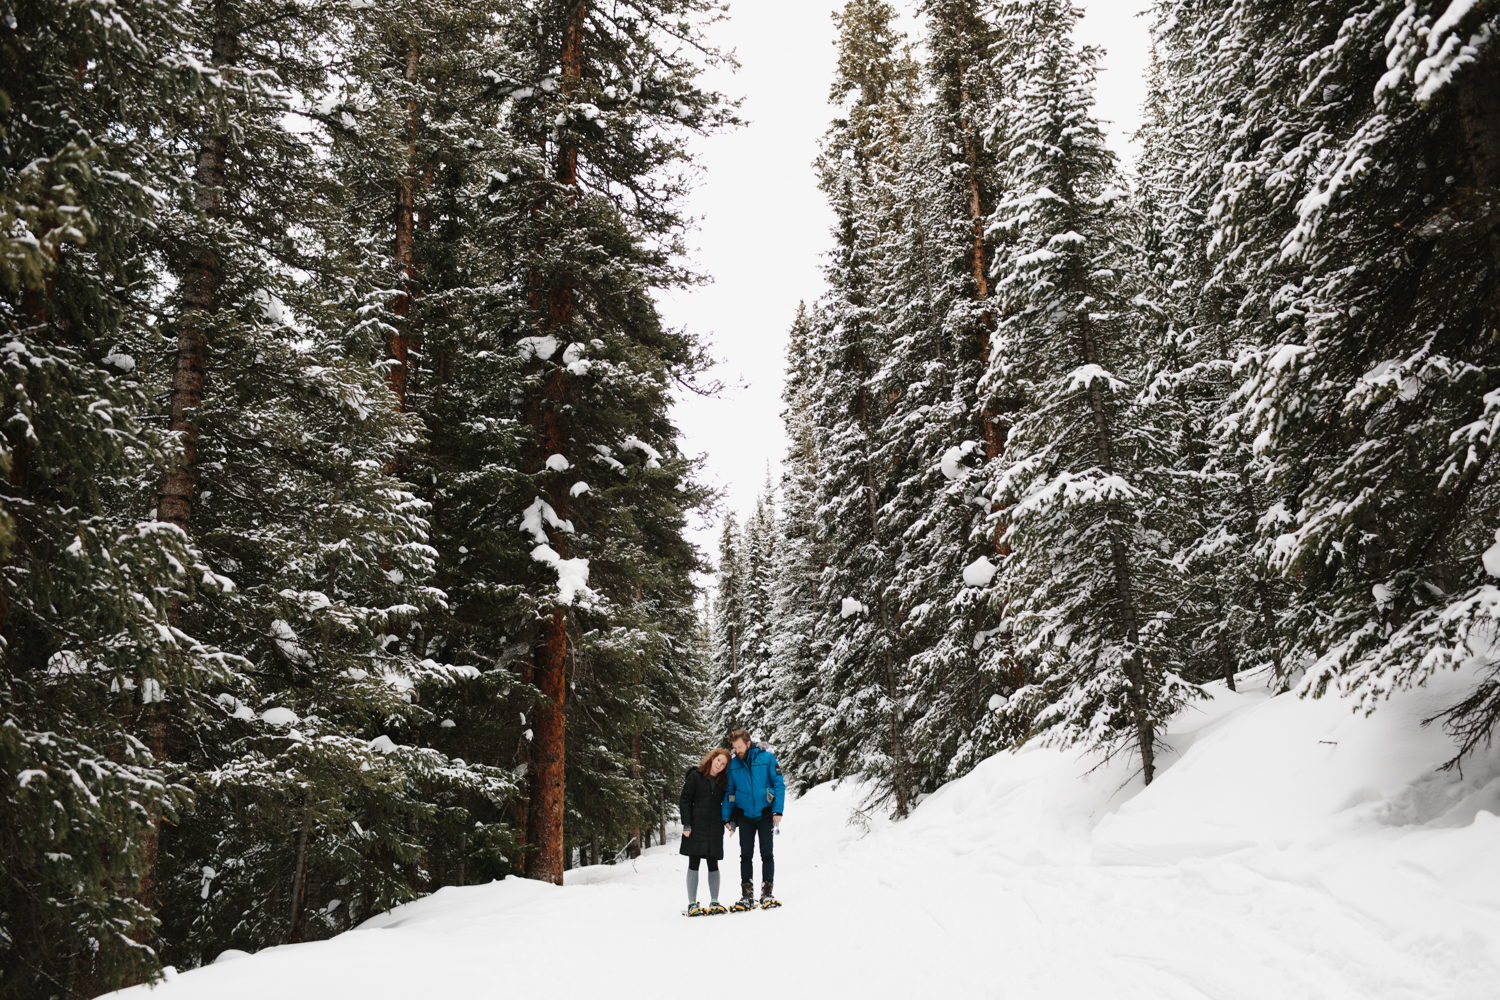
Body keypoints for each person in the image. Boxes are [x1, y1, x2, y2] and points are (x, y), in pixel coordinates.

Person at [721, 729, 786, 910]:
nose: (737, 750)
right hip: (745, 816)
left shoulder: (767, 758)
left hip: (765, 813)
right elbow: (731, 793)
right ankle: (747, 895)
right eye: (734, 747)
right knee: (745, 855)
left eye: (740, 747)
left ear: (748, 743)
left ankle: (767, 893)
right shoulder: (734, 765)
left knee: (767, 853)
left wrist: (777, 810)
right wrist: (726, 817)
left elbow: (779, 785)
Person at [679, 747, 730, 916]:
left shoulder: (723, 782)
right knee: (694, 863)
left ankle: (714, 901)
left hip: (714, 827)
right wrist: (686, 824)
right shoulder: (696, 776)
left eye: (723, 764)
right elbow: (685, 799)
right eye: (718, 761)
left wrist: (730, 820)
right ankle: (692, 903)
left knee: (713, 864)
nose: (719, 765)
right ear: (712, 758)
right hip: (695, 826)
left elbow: (730, 801)